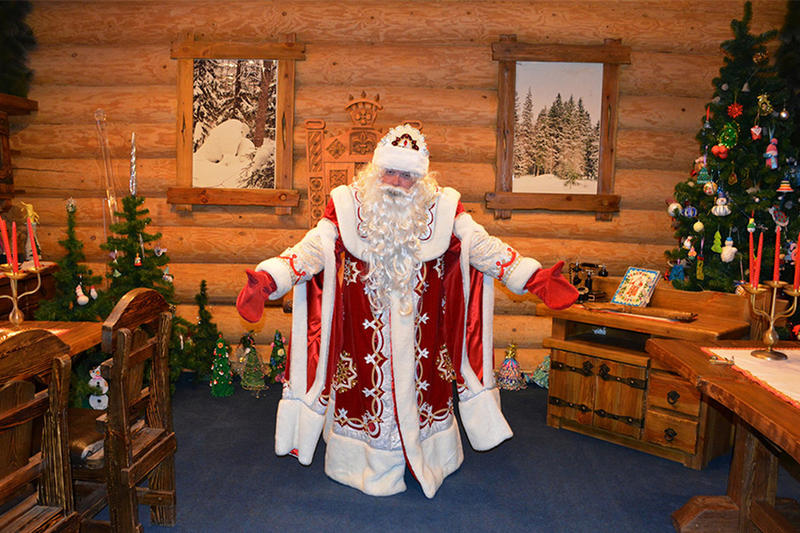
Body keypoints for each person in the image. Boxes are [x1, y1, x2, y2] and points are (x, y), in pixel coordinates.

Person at [236, 124, 578, 498]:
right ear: (375, 170)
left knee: (425, 393)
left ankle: (430, 458)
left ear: (421, 178)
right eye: (390, 172)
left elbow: (480, 245)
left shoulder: (443, 208)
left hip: (424, 336)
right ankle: (362, 462)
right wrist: (269, 279)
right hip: (361, 337)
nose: (397, 183)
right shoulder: (347, 205)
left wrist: (532, 277)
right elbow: (312, 249)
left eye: (408, 175)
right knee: (365, 396)